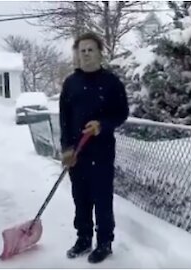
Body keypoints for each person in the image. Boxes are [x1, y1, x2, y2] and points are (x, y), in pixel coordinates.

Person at [59, 32, 129, 263]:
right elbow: (65, 119)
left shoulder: (111, 82)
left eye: (91, 49)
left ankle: (105, 242)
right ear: (78, 55)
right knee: (80, 197)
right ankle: (83, 237)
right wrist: (66, 148)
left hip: (102, 151)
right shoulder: (71, 84)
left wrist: (102, 125)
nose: (87, 54)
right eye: (82, 50)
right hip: (77, 154)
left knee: (101, 198)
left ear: (100, 52)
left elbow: (121, 113)